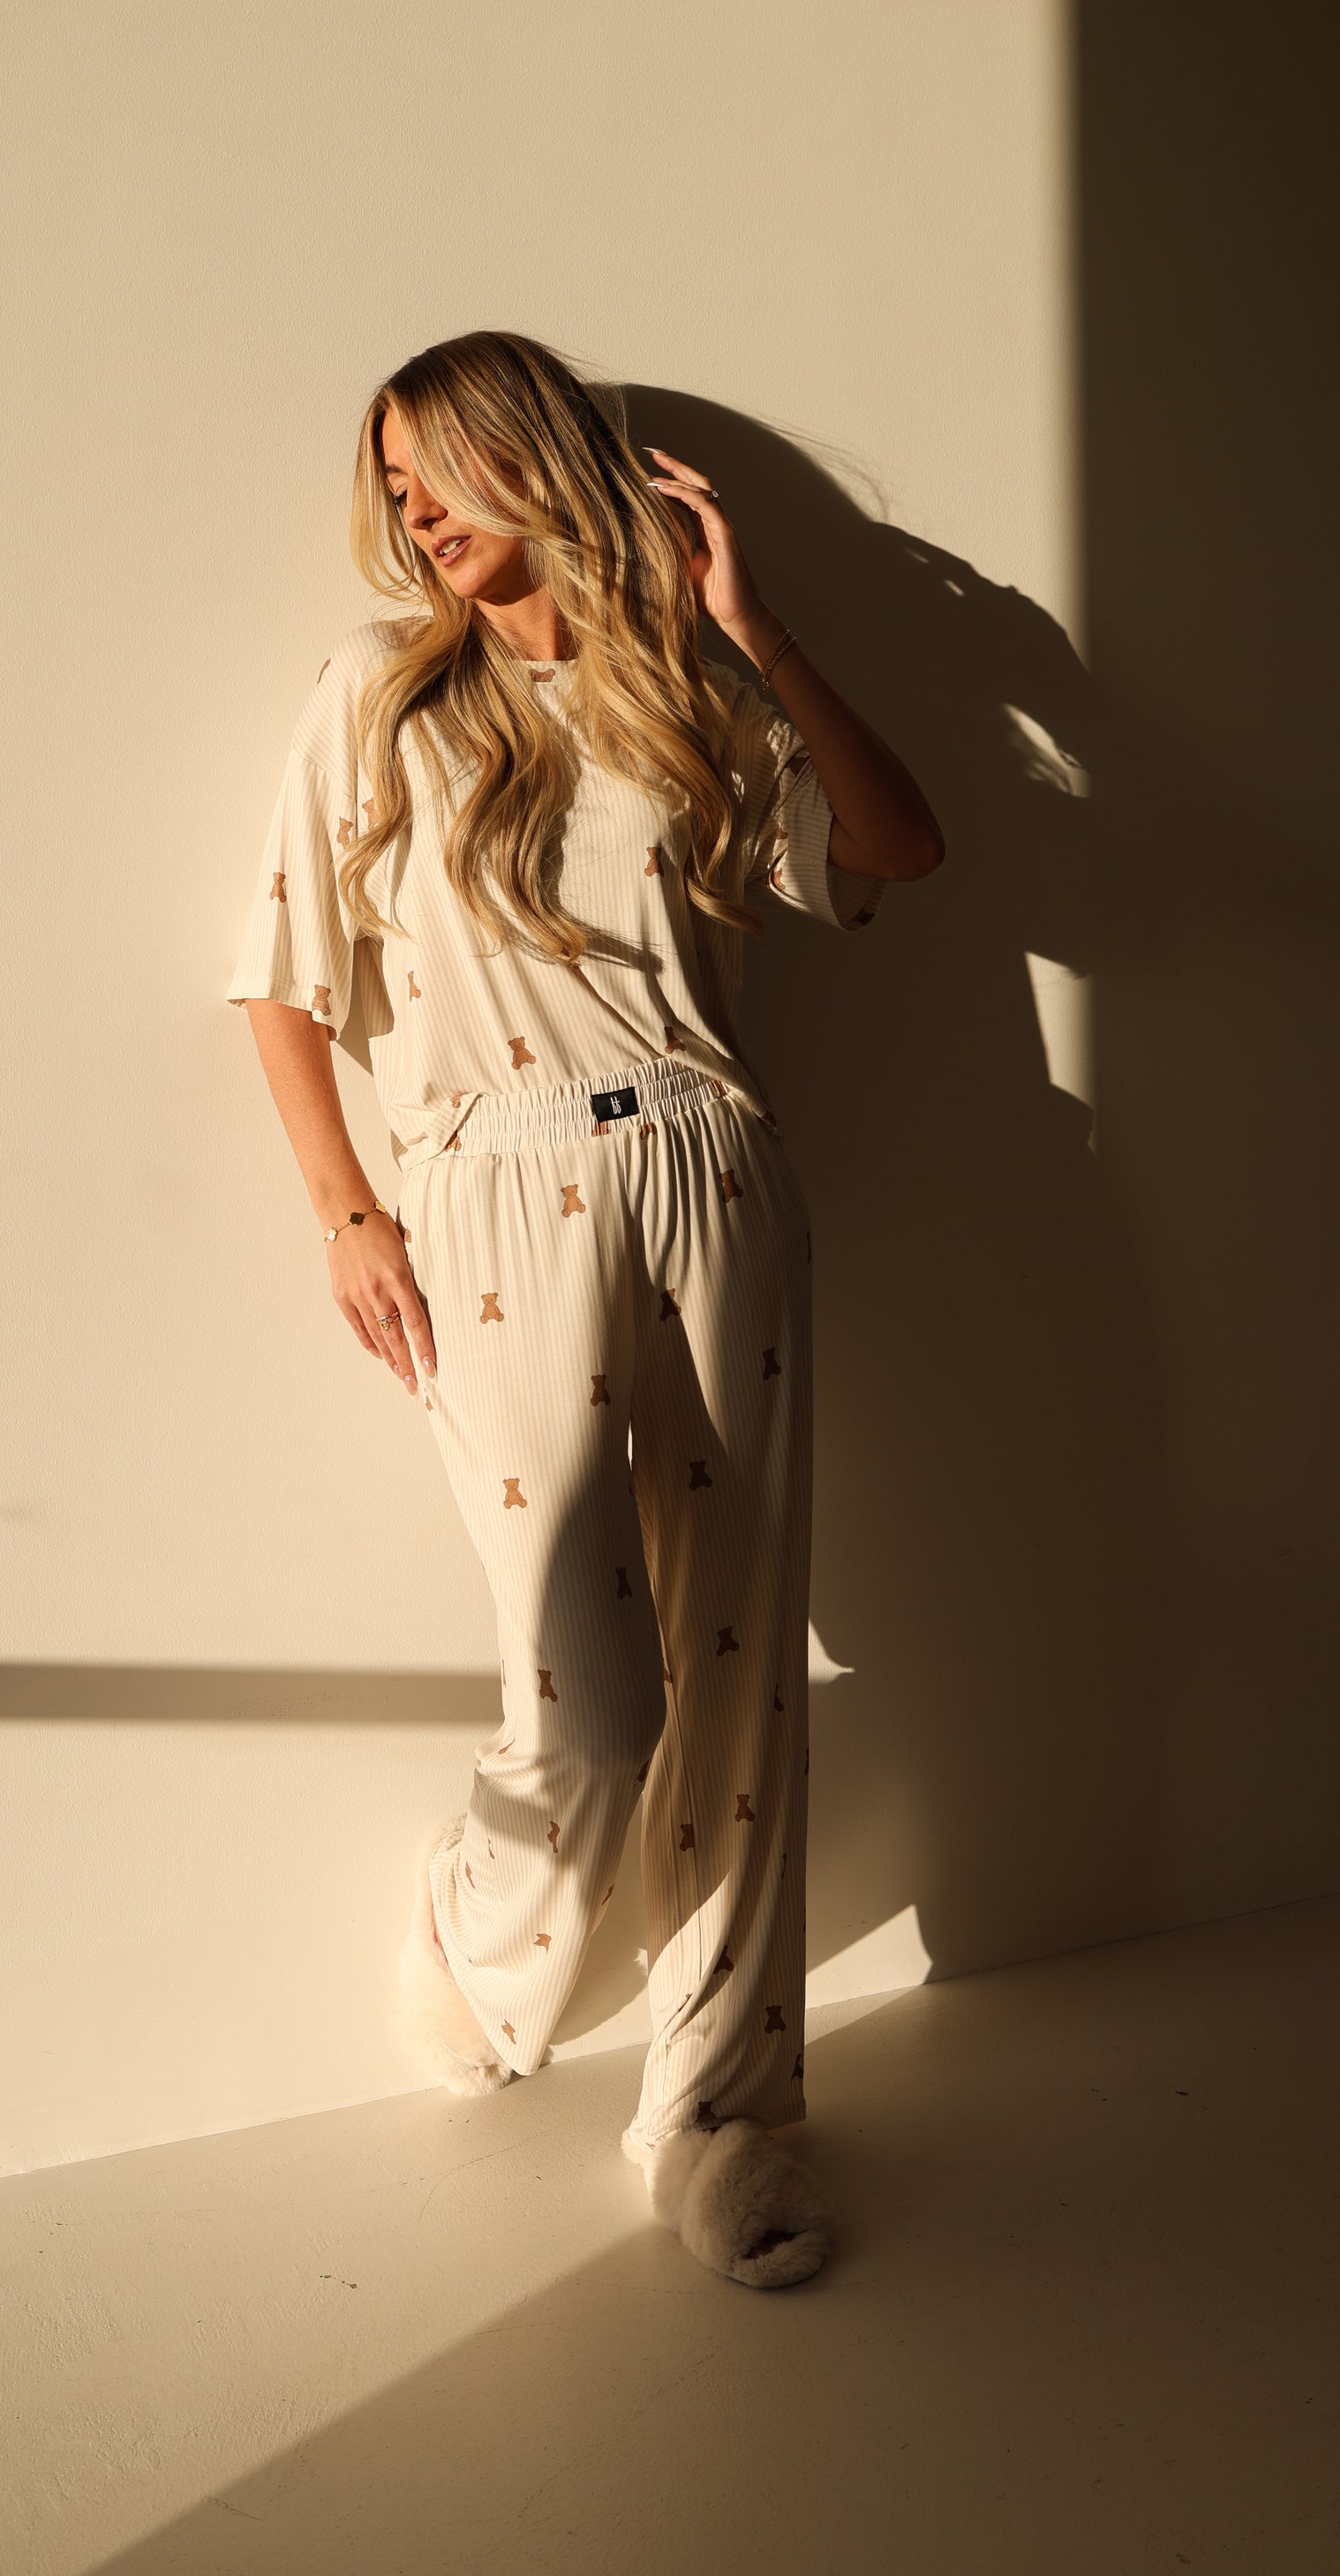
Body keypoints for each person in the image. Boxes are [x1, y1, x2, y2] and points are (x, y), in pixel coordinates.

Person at [228, 330, 944, 2288]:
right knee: (594, 1688)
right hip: (485, 1182)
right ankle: (482, 1932)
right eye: (390, 483)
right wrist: (342, 1210)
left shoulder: (682, 697)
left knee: (741, 1672)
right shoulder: (375, 702)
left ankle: (716, 2116)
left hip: (713, 1170)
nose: (416, 510)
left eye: (439, 466)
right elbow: (281, 981)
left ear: (533, 449)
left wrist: (752, 622)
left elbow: (896, 849)